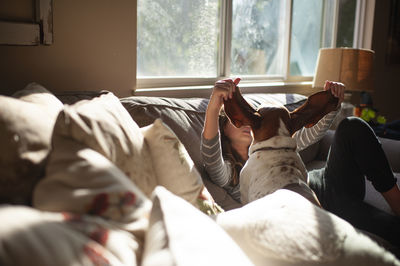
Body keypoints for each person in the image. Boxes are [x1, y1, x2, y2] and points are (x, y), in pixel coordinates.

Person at [201, 78, 400, 248]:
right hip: (313, 208)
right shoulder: (230, 172)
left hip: (324, 183)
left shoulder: (283, 142)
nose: (247, 124)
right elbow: (211, 157)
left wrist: (332, 103)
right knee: (390, 229)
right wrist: (214, 105)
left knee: (352, 126)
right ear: (229, 125)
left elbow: (311, 134)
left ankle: (396, 200)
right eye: (233, 121)